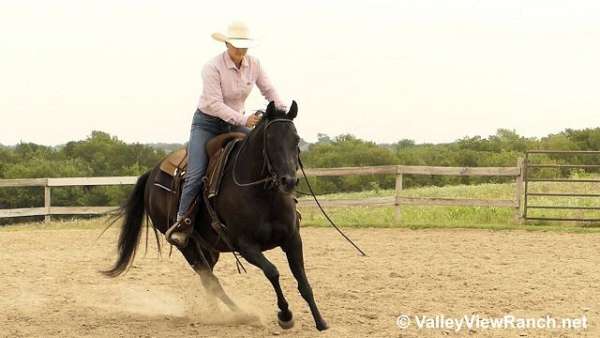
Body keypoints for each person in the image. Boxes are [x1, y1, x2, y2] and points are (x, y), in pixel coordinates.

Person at [166, 21, 287, 247]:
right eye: (236, 46)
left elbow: (268, 90)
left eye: (244, 47)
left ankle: (282, 208)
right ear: (227, 44)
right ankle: (182, 222)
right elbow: (213, 103)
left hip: (235, 122)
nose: (240, 51)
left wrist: (282, 110)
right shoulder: (212, 67)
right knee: (195, 174)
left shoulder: (255, 64)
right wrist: (244, 120)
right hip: (207, 124)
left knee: (267, 154)